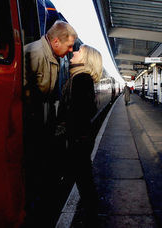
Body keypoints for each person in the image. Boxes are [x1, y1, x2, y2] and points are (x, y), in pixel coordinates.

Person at [22, 20, 77, 226]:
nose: (71, 50)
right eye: (69, 46)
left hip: (39, 121)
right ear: (55, 41)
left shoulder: (52, 54)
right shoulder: (34, 53)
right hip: (29, 125)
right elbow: (21, 94)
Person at [57, 44, 102, 227]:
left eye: (79, 51)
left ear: (86, 59)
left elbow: (82, 111)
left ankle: (91, 218)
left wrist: (65, 129)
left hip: (78, 138)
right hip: (81, 136)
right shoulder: (80, 78)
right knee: (83, 178)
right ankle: (91, 215)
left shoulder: (81, 78)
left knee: (83, 179)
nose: (74, 52)